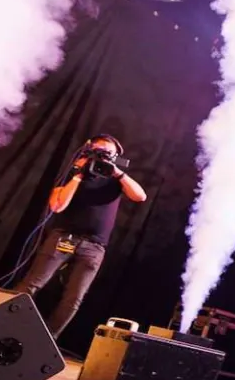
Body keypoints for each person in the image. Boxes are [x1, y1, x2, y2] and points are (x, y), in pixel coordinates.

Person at [14, 134, 146, 338]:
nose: (104, 157)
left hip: (94, 247)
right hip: (64, 238)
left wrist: (117, 173)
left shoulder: (116, 180)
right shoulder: (73, 173)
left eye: (109, 154)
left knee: (74, 298)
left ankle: (47, 339)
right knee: (32, 284)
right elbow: (57, 206)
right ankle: (5, 321)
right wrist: (78, 175)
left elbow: (140, 196)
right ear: (88, 150)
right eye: (100, 151)